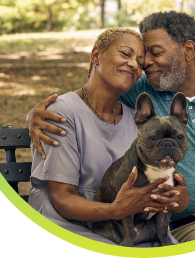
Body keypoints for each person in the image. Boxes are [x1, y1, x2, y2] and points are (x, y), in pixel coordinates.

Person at [26, 11, 195, 243]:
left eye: (153, 54)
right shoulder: (142, 94)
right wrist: (38, 113)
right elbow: (92, 94)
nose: (143, 65)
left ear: (188, 50)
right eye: (142, 59)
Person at [27, 27, 185, 247]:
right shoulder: (63, 113)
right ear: (96, 55)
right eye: (125, 54)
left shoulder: (136, 121)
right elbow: (63, 199)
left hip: (123, 228)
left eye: (139, 62)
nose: (133, 64)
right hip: (66, 224)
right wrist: (115, 209)